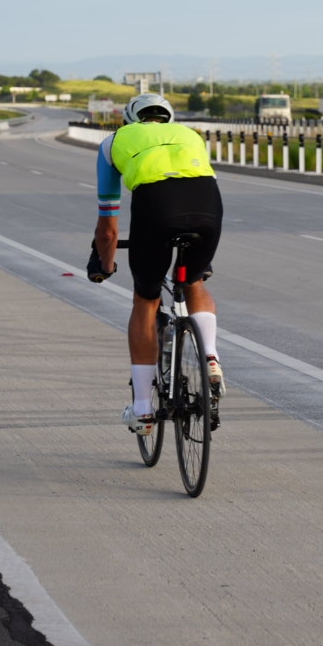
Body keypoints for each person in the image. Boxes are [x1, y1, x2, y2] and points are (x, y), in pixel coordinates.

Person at [86, 93, 225, 435]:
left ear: (129, 119)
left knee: (146, 300)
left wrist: (104, 263)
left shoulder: (113, 142)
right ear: (169, 117)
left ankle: (144, 410)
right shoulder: (191, 136)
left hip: (156, 207)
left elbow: (109, 226)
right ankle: (210, 356)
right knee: (194, 281)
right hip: (208, 206)